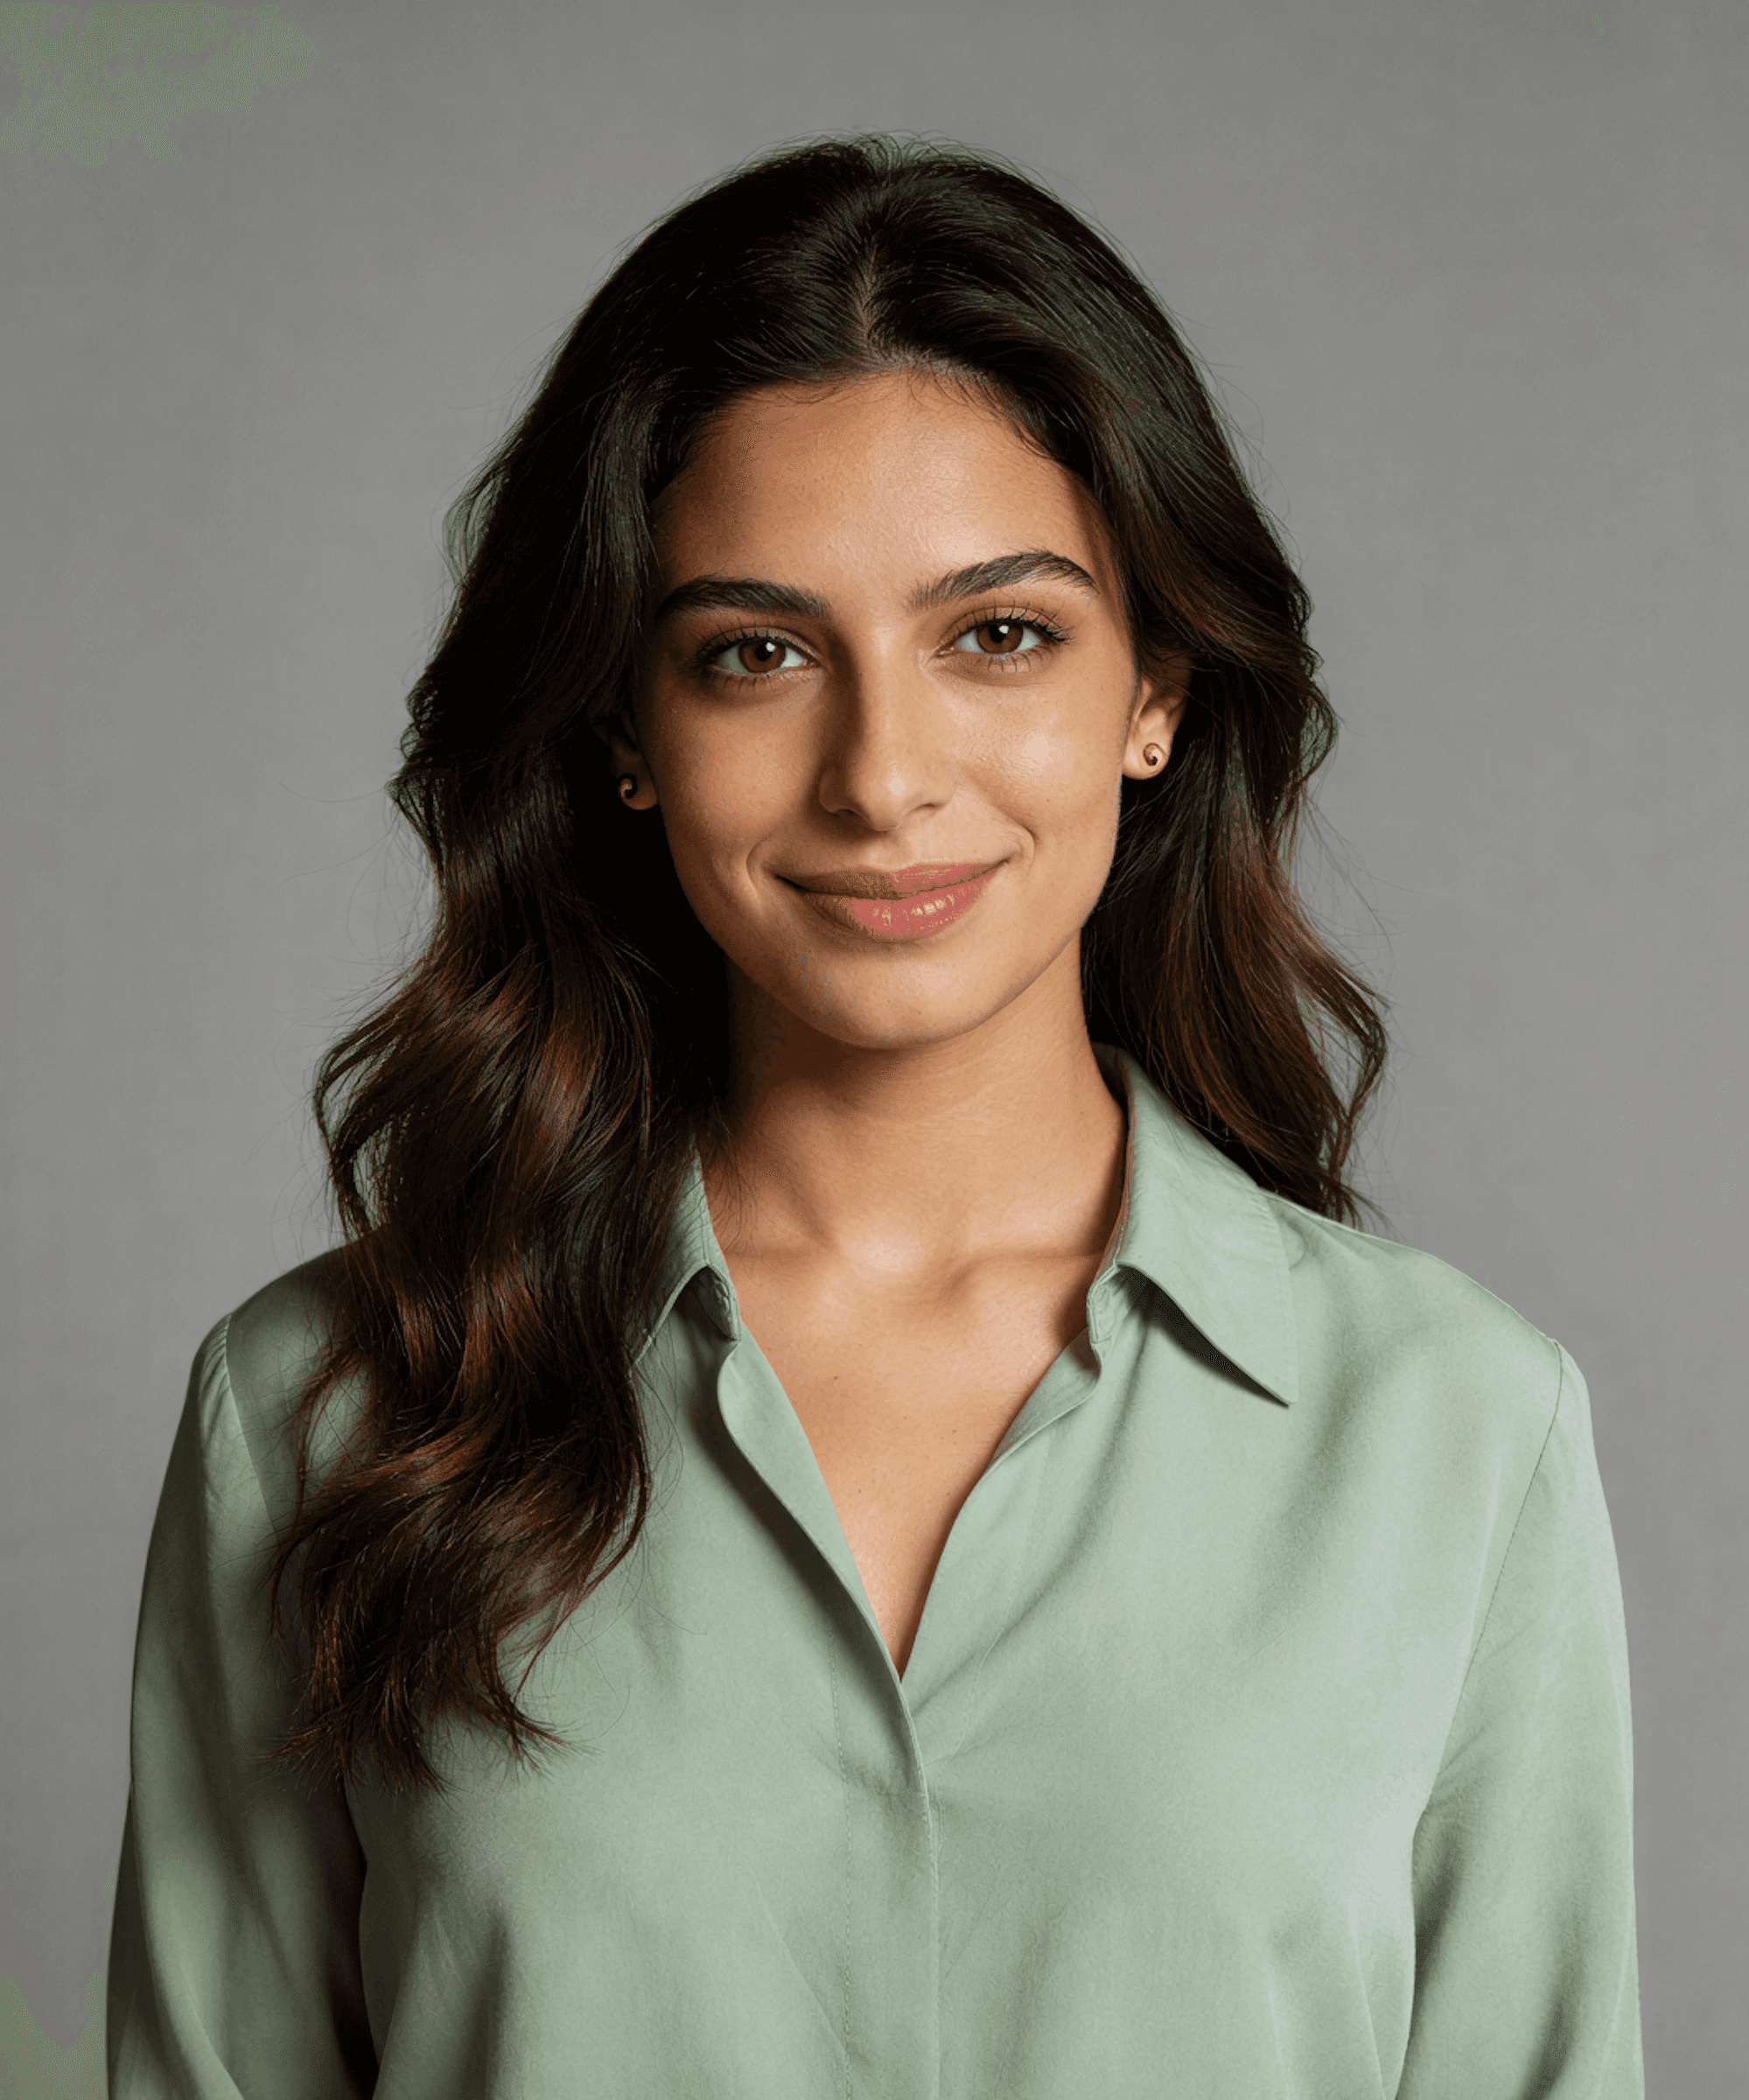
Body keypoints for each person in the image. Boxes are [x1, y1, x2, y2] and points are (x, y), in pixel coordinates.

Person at [107, 133, 1642, 2097]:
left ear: (1153, 689)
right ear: (625, 738)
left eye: (999, 633)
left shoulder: (1458, 1432)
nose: (883, 775)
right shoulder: (325, 1415)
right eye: (756, 655)